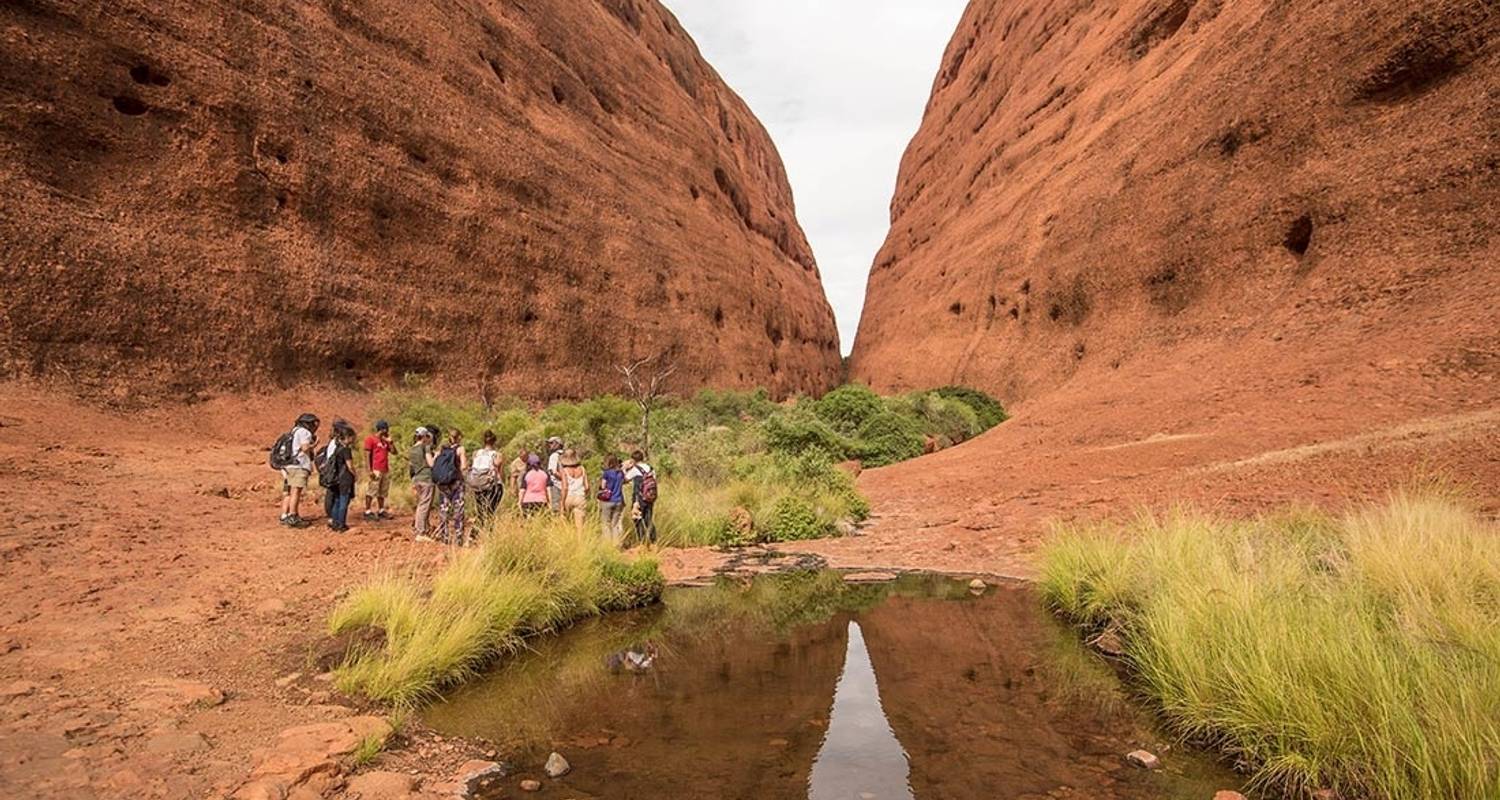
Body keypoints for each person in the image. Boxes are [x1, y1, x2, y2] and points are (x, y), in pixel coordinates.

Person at [280, 413, 319, 528]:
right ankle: (293, 516)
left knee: (290, 491)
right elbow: (305, 448)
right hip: (299, 465)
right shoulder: (304, 432)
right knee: (296, 491)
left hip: (290, 465)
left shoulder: (294, 431)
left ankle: (286, 515)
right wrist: (315, 444)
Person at [435, 429, 469, 545]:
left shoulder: (442, 449)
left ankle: (444, 536)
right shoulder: (460, 449)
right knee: (458, 509)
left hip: (443, 484)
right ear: (459, 437)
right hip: (456, 483)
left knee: (443, 509)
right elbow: (463, 466)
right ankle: (458, 537)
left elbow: (435, 464)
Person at [362, 420, 395, 520]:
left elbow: (394, 452)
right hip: (376, 469)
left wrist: (391, 442)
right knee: (372, 490)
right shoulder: (370, 439)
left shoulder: (386, 441)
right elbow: (367, 455)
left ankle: (381, 510)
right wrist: (369, 470)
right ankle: (367, 511)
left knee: (382, 491)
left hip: (385, 469)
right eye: (386, 429)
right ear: (382, 429)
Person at [326, 425, 357, 533]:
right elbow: (350, 465)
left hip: (336, 479)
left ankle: (335, 522)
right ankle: (341, 524)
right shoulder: (346, 450)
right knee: (344, 501)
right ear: (347, 437)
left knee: (337, 500)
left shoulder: (337, 449)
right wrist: (355, 474)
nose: (353, 439)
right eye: (352, 437)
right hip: (345, 479)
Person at [468, 430, 504, 523]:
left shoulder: (476, 453)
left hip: (478, 484)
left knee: (480, 509)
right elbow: (500, 473)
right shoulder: (497, 455)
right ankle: (489, 531)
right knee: (490, 510)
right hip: (492, 485)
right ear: (494, 441)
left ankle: (476, 532)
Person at [409, 427, 437, 542]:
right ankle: (420, 531)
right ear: (425, 436)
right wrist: (436, 456)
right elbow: (431, 463)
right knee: (424, 505)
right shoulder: (425, 447)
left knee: (421, 504)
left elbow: (411, 467)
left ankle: (420, 528)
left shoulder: (412, 449)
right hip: (426, 478)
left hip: (416, 479)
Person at [624, 450, 657, 546]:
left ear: (633, 460)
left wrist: (625, 468)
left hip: (638, 498)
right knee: (648, 519)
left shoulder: (635, 469)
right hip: (650, 496)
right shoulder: (651, 468)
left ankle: (642, 542)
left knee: (637, 519)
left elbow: (625, 479)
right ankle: (653, 541)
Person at [558, 449, 589, 532]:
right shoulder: (582, 469)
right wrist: (585, 495)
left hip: (569, 497)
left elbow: (565, 487)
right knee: (580, 527)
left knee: (568, 523)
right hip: (580, 497)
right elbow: (587, 487)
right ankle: (580, 542)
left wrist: (562, 503)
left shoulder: (564, 470)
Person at [598, 455, 626, 545]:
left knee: (606, 523)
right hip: (619, 500)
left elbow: (603, 486)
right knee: (615, 524)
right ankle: (616, 543)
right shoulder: (620, 473)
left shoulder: (607, 473)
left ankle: (607, 543)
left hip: (608, 500)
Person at [545, 436, 565, 513]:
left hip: (556, 485)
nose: (550, 445)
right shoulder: (566, 455)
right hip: (568, 486)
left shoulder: (554, 456)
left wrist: (562, 479)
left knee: (556, 509)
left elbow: (553, 472)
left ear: (558, 444)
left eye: (551, 443)